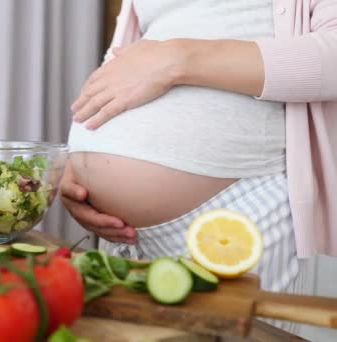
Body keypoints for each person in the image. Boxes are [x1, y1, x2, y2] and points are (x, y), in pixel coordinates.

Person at [61, 0, 337, 303]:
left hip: (243, 208)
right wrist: (78, 160)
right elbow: (128, 58)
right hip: (121, 234)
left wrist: (179, 59)